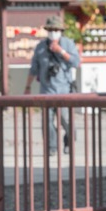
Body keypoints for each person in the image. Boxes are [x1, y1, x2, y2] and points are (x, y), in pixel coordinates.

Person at [24, 14, 80, 153]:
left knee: (66, 120)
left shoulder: (68, 43)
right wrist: (27, 86)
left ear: (61, 31)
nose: (53, 32)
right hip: (46, 90)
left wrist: (60, 51)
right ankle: (51, 147)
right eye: (50, 29)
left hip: (64, 90)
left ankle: (69, 142)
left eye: (56, 29)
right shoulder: (41, 47)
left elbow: (76, 62)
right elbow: (34, 68)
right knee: (46, 122)